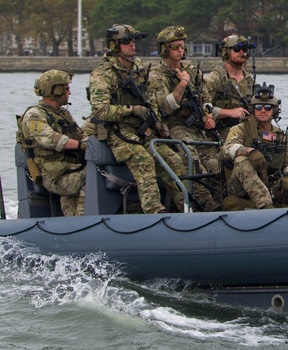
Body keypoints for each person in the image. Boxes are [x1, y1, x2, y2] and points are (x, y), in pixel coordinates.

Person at [88, 24, 186, 214]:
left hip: (142, 129)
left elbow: (151, 102)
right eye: (126, 41)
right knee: (143, 159)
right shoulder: (103, 74)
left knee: (173, 159)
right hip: (117, 131)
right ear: (115, 45)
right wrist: (132, 110)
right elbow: (100, 111)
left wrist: (157, 124)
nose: (132, 45)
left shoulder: (139, 69)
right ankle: (153, 210)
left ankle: (185, 206)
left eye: (133, 41)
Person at [146, 25, 220, 211]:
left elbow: (206, 97)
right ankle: (203, 204)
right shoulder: (156, 76)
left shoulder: (192, 70)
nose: (180, 50)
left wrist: (208, 114)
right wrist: (183, 83)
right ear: (164, 49)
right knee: (191, 159)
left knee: (215, 163)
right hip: (174, 126)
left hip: (197, 127)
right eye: (175, 47)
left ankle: (221, 201)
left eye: (182, 46)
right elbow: (164, 108)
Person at [220, 83, 288, 209]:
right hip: (242, 187)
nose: (263, 110)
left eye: (268, 107)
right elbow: (228, 148)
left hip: (272, 184)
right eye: (258, 107)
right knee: (242, 160)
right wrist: (249, 151)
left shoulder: (280, 135)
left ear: (274, 110)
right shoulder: (241, 129)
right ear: (253, 109)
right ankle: (266, 207)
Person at [17, 70, 87, 216]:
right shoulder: (34, 115)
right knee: (90, 177)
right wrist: (81, 145)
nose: (70, 93)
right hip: (51, 173)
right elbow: (50, 139)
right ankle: (83, 220)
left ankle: (71, 220)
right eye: (66, 89)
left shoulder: (63, 114)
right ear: (56, 91)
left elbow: (81, 135)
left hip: (68, 167)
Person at [203, 34, 255, 142]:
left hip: (247, 128)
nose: (242, 52)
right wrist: (229, 112)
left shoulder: (249, 79)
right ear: (226, 52)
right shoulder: (215, 78)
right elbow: (203, 106)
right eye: (236, 49)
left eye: (244, 49)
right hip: (221, 130)